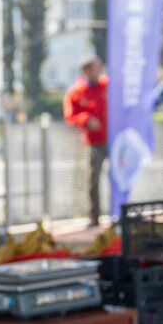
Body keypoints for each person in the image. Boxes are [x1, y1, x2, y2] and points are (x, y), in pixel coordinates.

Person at [63, 57, 110, 224]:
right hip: (94, 142)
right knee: (93, 179)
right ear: (87, 71)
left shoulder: (108, 85)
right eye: (95, 68)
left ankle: (118, 215)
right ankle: (95, 217)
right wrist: (86, 119)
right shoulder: (75, 92)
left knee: (118, 178)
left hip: (114, 141)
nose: (99, 71)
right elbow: (70, 116)